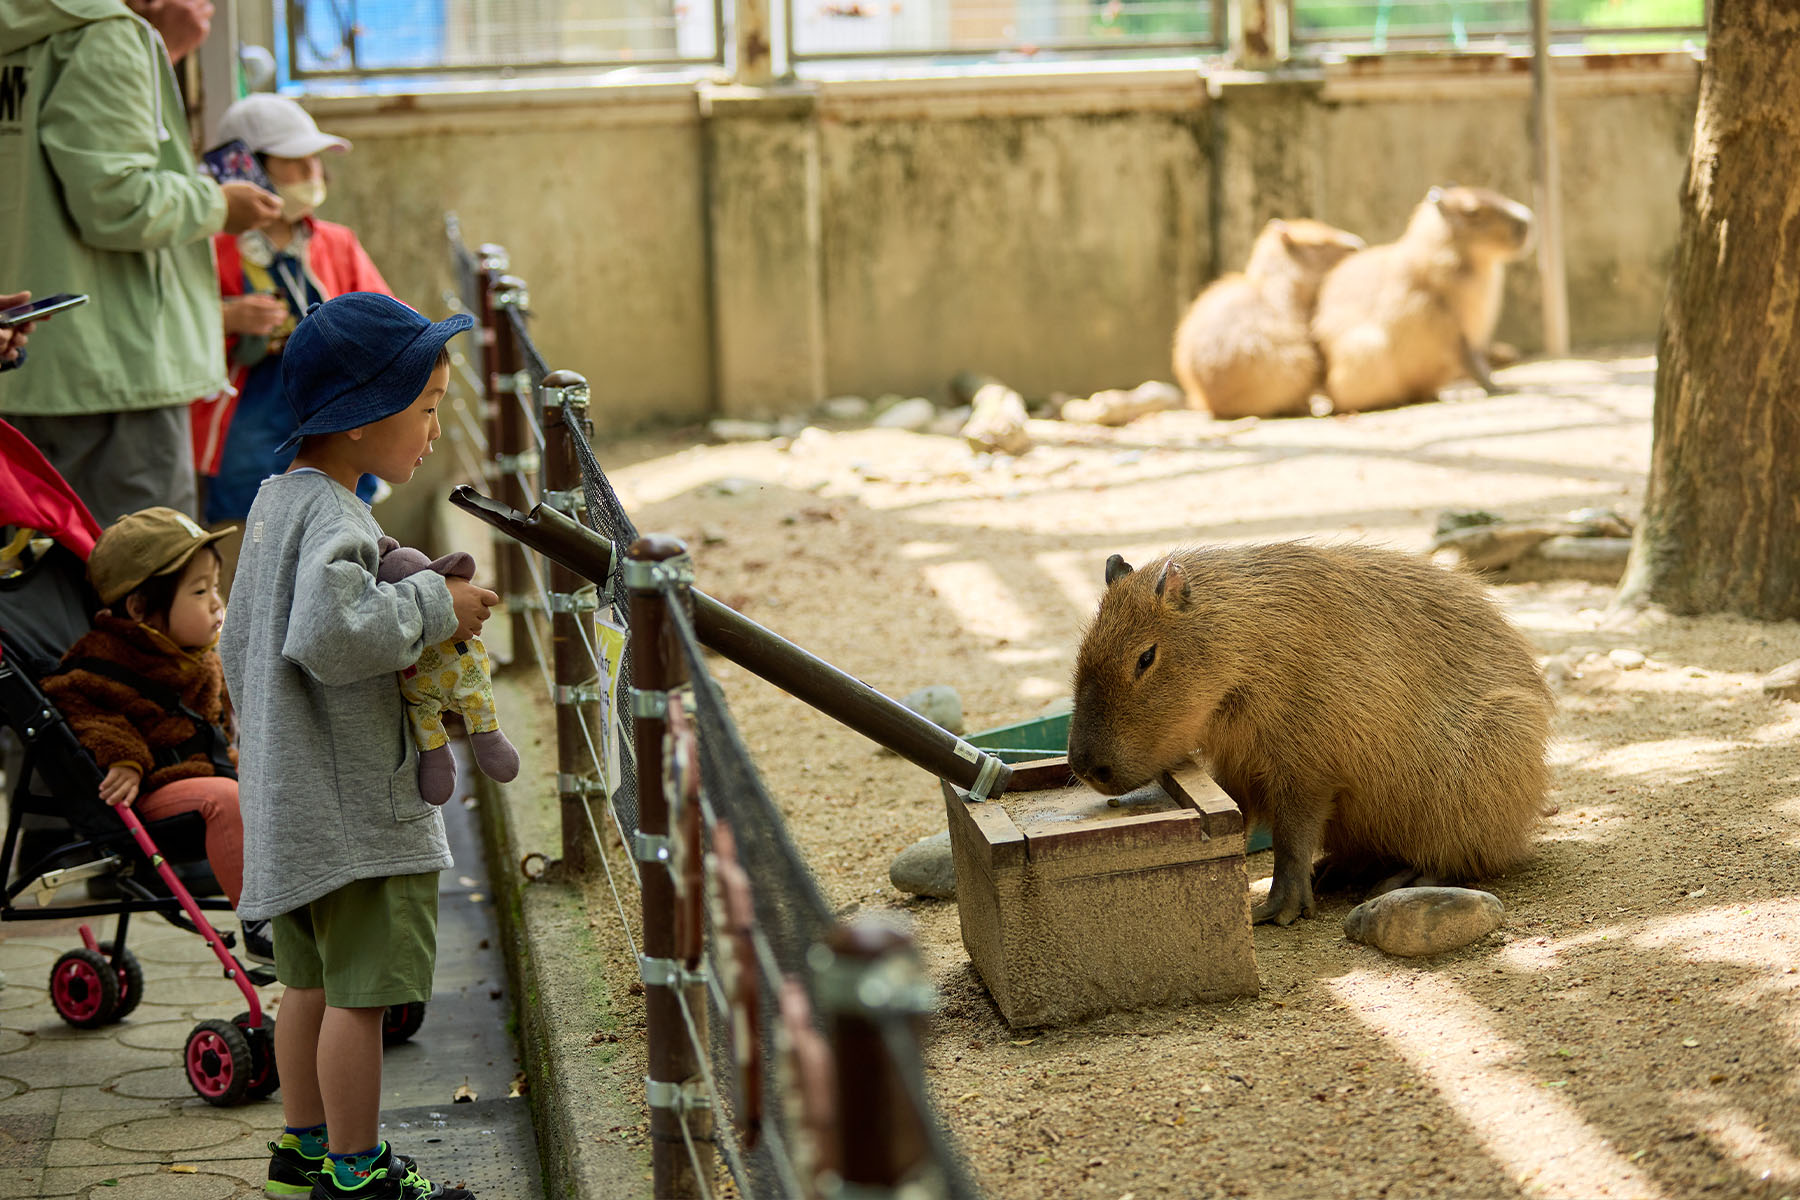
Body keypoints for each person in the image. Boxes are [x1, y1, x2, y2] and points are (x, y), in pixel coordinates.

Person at [220, 292, 492, 1200]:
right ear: (366, 418)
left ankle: (301, 1152)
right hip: (353, 818)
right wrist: (434, 609)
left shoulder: (273, 503)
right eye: (426, 409)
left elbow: (253, 639)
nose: (434, 427)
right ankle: (358, 1171)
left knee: (305, 986)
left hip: (289, 801)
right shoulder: (338, 515)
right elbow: (330, 638)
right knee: (361, 1000)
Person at [0, 0, 283, 525]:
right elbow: (115, 199)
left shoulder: (27, 32)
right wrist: (220, 204)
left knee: (48, 586)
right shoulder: (106, 35)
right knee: (146, 587)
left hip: (23, 361)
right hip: (115, 367)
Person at [41, 506, 272, 963]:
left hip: (204, 769)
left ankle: (310, 900)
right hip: (151, 791)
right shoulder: (102, 662)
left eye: (216, 588)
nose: (215, 602)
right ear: (141, 610)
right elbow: (83, 708)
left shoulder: (196, 653)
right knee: (226, 798)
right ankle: (260, 919)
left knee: (280, 776)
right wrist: (125, 757)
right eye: (200, 590)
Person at [192, 94, 393, 527]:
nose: (311, 174)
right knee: (250, 539)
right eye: (295, 163)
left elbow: (389, 318)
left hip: (332, 421)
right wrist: (225, 319)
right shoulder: (208, 249)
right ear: (248, 168)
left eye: (315, 163)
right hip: (247, 426)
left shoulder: (337, 242)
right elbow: (169, 324)